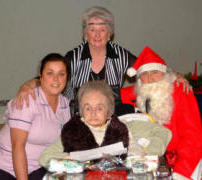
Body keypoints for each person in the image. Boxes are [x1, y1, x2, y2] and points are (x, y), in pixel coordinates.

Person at [12, 6, 190, 116]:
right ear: (85, 33)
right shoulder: (73, 56)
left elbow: (149, 69)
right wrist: (26, 86)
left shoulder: (121, 55)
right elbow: (51, 76)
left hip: (113, 118)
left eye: (102, 29)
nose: (97, 35)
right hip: (77, 120)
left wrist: (177, 76)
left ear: (110, 32)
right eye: (92, 29)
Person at [39, 80, 172, 168]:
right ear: (81, 112)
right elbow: (45, 158)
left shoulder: (123, 127)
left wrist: (148, 155)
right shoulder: (72, 131)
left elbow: (164, 132)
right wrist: (72, 158)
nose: (93, 113)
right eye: (87, 108)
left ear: (109, 112)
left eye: (99, 108)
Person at [121, 46, 202, 180]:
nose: (150, 79)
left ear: (164, 74)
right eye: (145, 74)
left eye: (155, 72)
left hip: (181, 161)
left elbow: (193, 137)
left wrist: (182, 171)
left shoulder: (181, 91)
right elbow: (112, 96)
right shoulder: (142, 91)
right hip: (148, 160)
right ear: (139, 78)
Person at [0, 53, 71, 180]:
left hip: (38, 167)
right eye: (50, 73)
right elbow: (17, 147)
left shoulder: (65, 105)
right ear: (40, 76)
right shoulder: (27, 100)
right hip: (6, 167)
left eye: (61, 74)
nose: (56, 79)